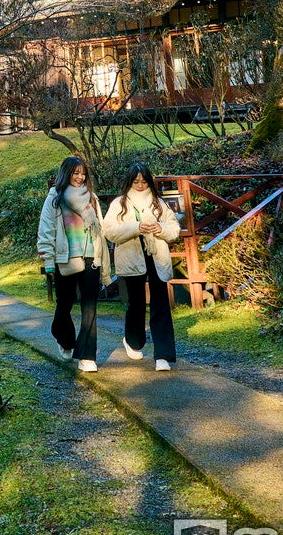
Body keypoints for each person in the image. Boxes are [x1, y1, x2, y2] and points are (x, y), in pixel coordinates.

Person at [37, 155, 111, 372]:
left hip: (91, 256)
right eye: (75, 173)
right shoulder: (55, 198)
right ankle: (65, 339)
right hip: (65, 258)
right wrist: (49, 261)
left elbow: (101, 231)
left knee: (90, 307)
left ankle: (87, 355)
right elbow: (46, 231)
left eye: (83, 173)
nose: (80, 177)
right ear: (66, 173)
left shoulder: (92, 199)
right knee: (64, 305)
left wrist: (104, 259)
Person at [102, 163, 179, 371]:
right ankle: (133, 341)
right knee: (135, 304)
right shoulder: (120, 204)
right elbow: (109, 231)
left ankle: (163, 355)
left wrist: (159, 228)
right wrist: (136, 227)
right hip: (131, 257)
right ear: (129, 181)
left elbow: (174, 229)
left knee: (160, 303)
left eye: (143, 181)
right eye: (136, 181)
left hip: (156, 256)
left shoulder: (158, 203)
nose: (140, 185)